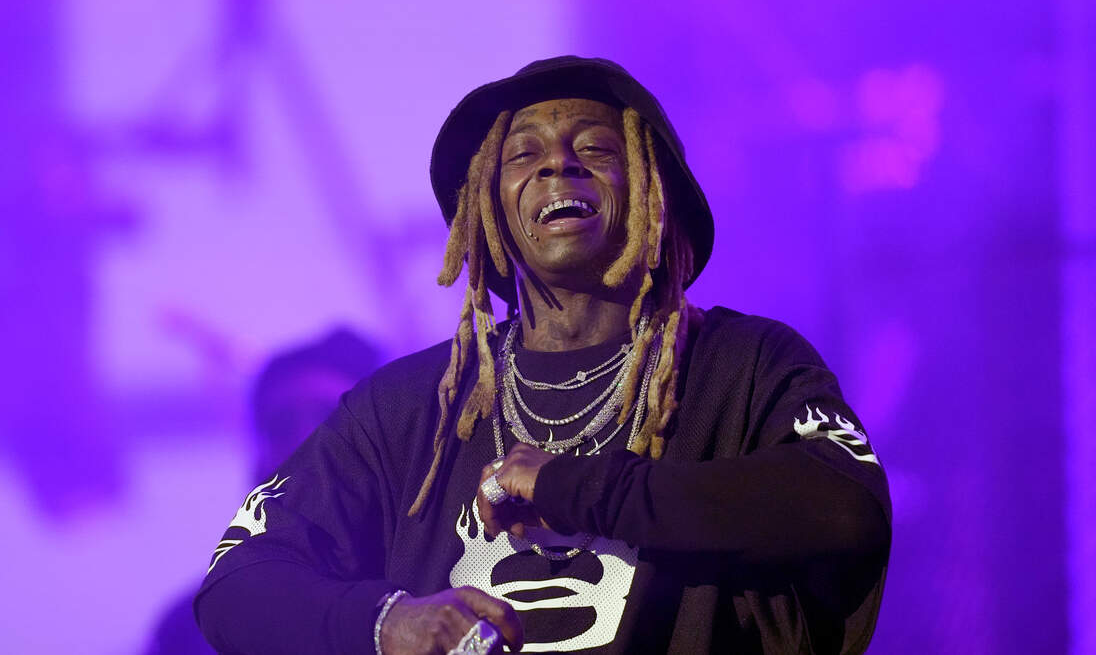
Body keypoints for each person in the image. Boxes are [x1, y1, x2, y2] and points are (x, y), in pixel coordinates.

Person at [194, 56, 891, 655]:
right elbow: (238, 580)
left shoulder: (743, 366)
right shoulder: (405, 407)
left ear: (654, 193)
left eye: (597, 148)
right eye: (522, 155)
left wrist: (576, 487)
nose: (559, 162)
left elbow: (846, 508)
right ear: (488, 208)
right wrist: (386, 623)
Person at [143, 328, 381, 655]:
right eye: (282, 425)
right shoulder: (192, 632)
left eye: (330, 417)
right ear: (258, 468)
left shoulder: (443, 595)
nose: (306, 440)